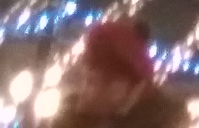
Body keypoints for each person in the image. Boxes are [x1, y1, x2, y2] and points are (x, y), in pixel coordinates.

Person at [49, 22, 183, 128]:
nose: (82, 91)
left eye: (91, 82)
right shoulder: (73, 114)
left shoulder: (162, 122)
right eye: (83, 77)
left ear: (119, 88)